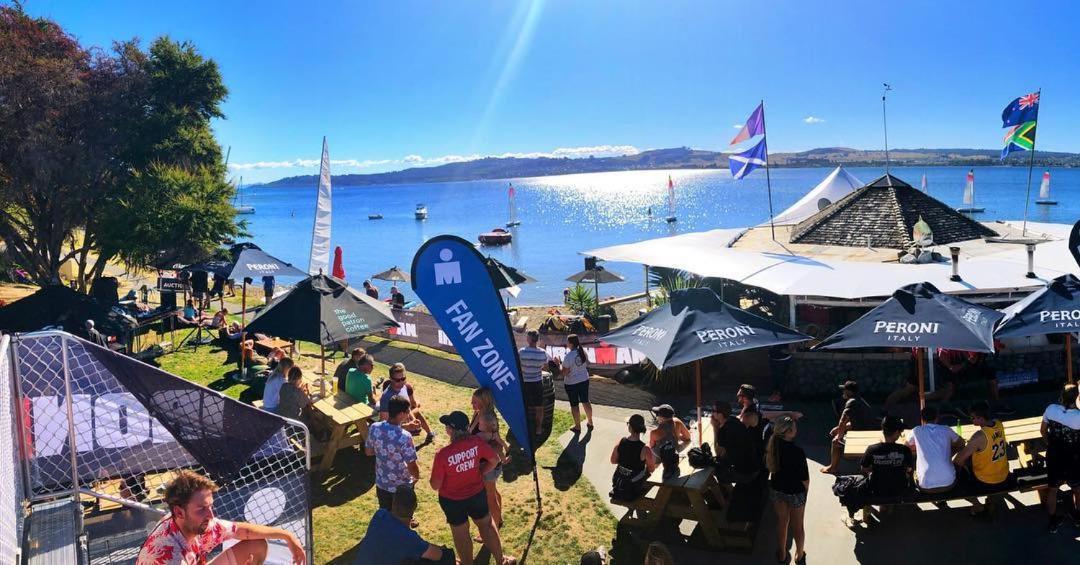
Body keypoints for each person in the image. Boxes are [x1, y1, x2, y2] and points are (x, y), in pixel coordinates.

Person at [136, 469, 305, 565]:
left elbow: (242, 531)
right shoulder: (166, 557)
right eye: (202, 509)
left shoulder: (190, 523)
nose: (211, 515)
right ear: (179, 512)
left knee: (257, 544)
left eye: (210, 506)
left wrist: (286, 536)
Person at [429, 411, 516, 565]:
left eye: (447, 426)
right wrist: (480, 472)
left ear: (451, 430)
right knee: (487, 526)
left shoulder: (443, 454)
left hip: (452, 500)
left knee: (461, 534)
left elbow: (435, 485)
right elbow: (494, 460)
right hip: (476, 494)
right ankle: (500, 560)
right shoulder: (476, 442)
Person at [841, 415, 914, 524]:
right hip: (899, 489)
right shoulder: (904, 450)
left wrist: (878, 467)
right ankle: (888, 507)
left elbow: (864, 468)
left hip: (877, 489)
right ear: (896, 433)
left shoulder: (872, 449)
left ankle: (854, 515)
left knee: (852, 483)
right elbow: (909, 469)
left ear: (883, 431)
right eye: (900, 431)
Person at [354, 487, 452, 564]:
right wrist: (444, 550)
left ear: (393, 504)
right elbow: (438, 555)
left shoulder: (379, 516)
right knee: (447, 557)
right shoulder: (409, 539)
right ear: (414, 507)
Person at [952, 400, 1010, 515]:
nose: (971, 420)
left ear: (981, 419)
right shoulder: (998, 423)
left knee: (957, 472)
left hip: (985, 480)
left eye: (973, 418)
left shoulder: (979, 436)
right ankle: (991, 499)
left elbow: (958, 460)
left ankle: (977, 506)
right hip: (1003, 474)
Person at [366, 396, 421, 515]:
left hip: (382, 483)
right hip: (401, 486)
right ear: (401, 414)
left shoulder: (374, 428)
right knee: (403, 516)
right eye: (407, 411)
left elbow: (369, 452)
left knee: (385, 513)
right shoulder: (404, 437)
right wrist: (416, 477)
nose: (408, 415)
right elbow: (412, 465)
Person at [766, 415, 807, 565]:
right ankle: (800, 553)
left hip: (777, 490)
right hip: (795, 492)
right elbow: (804, 479)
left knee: (782, 522)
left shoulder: (773, 446)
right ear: (789, 432)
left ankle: (782, 553)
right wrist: (805, 493)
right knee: (798, 526)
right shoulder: (798, 451)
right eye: (795, 427)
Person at [1040, 384, 1080, 533]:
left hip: (1054, 455)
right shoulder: (1079, 417)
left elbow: (1043, 430)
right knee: (1077, 488)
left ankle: (1053, 521)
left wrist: (1050, 444)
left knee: (1052, 490)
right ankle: (1078, 517)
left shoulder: (1051, 409)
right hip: (1074, 458)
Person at [469, 388, 510, 532]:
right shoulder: (479, 414)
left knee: (490, 497)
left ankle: (495, 527)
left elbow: (497, 443)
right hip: (485, 462)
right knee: (493, 492)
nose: (471, 404)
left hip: (489, 464)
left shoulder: (487, 419)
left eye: (475, 402)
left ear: (484, 402)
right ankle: (498, 519)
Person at [821, 380, 878, 474]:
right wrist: (838, 428)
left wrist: (839, 436)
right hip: (869, 431)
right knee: (839, 433)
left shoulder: (851, 402)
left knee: (835, 442)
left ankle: (833, 468)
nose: (843, 392)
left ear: (850, 392)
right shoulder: (860, 400)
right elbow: (857, 422)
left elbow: (842, 421)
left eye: (844, 390)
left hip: (862, 436)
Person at [905, 404, 964, 493]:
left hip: (924, 486)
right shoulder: (946, 429)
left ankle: (912, 494)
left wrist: (920, 450)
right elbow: (962, 444)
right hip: (949, 484)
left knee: (912, 461)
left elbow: (905, 448)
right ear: (937, 417)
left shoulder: (916, 430)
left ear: (922, 419)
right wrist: (950, 451)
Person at [378, 363, 435, 442]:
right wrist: (406, 426)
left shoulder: (404, 387)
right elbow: (385, 425)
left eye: (403, 378)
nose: (401, 382)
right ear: (390, 379)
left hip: (404, 421)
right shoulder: (386, 397)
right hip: (394, 434)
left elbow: (408, 408)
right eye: (397, 380)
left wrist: (413, 419)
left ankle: (429, 433)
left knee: (417, 411)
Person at [711, 400, 760, 483]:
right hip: (755, 466)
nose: (711, 414)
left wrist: (715, 428)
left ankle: (728, 493)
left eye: (713, 411)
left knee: (716, 471)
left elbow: (718, 454)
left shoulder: (724, 430)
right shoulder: (733, 420)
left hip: (746, 474)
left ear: (720, 415)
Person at [610, 413, 656, 501]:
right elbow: (651, 468)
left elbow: (613, 461)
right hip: (633, 488)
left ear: (629, 427)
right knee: (647, 474)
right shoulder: (645, 449)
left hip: (618, 484)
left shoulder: (621, 442)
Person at [559, 334, 593, 433]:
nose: (566, 343)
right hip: (584, 380)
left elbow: (564, 373)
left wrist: (558, 365)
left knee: (574, 405)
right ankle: (590, 422)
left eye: (567, 342)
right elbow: (587, 364)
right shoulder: (582, 352)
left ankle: (578, 427)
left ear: (571, 343)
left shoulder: (569, 356)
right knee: (586, 401)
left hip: (572, 383)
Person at [517, 329, 549, 435]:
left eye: (527, 336)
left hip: (525, 382)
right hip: (537, 382)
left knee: (522, 406)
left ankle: (523, 428)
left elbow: (518, 366)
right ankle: (538, 429)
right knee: (539, 407)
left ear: (529, 339)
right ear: (537, 340)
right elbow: (545, 367)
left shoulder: (522, 352)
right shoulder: (543, 353)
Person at [649, 404, 690, 479]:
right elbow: (687, 437)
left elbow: (651, 446)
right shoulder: (677, 422)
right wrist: (677, 436)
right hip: (675, 451)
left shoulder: (655, 432)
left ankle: (653, 472)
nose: (656, 417)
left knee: (647, 449)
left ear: (661, 417)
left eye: (657, 415)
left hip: (661, 458)